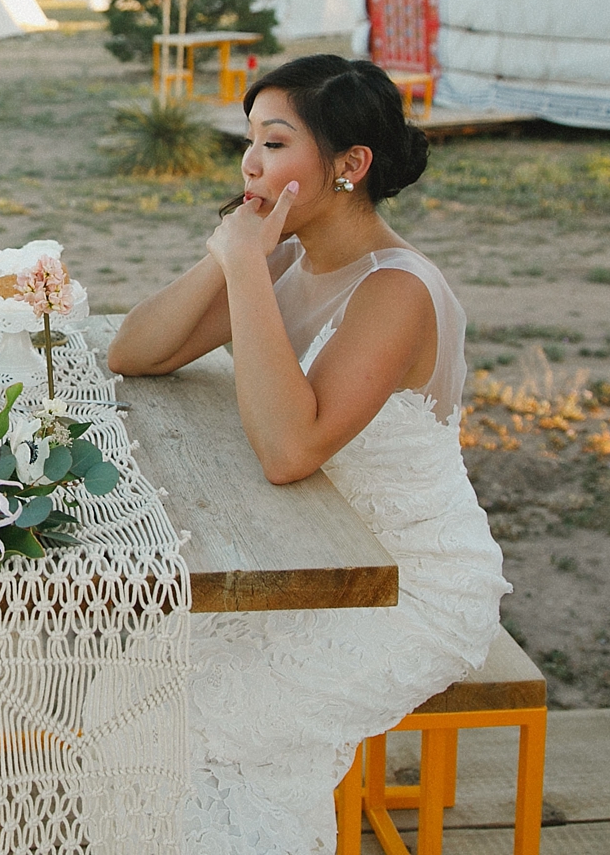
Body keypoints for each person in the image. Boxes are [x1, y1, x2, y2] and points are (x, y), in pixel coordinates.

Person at [107, 54, 509, 853]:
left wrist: (248, 269)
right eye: (249, 141)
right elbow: (133, 351)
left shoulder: (397, 290)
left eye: (277, 143)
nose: (252, 164)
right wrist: (229, 254)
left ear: (350, 165)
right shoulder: (288, 256)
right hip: (297, 557)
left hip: (405, 586)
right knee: (127, 682)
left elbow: (289, 450)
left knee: (206, 730)